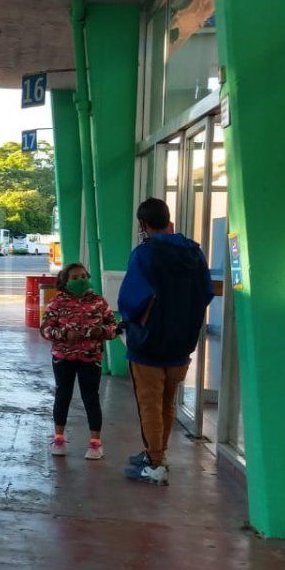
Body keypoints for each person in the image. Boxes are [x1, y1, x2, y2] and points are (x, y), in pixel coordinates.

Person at [118, 197, 214, 486]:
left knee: (149, 403)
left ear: (143, 224)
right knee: (167, 401)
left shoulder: (144, 254)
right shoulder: (194, 253)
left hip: (148, 342)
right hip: (182, 342)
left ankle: (155, 464)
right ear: (168, 219)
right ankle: (156, 453)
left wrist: (129, 321)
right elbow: (206, 293)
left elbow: (131, 300)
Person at [40, 263, 120, 460]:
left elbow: (114, 327)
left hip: (90, 358)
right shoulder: (57, 303)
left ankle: (95, 443)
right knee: (63, 395)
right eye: (75, 278)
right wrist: (64, 333)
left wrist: (102, 332)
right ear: (65, 281)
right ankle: (58, 439)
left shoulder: (99, 302)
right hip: (63, 358)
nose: (80, 280)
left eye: (83, 276)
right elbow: (45, 329)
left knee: (91, 397)